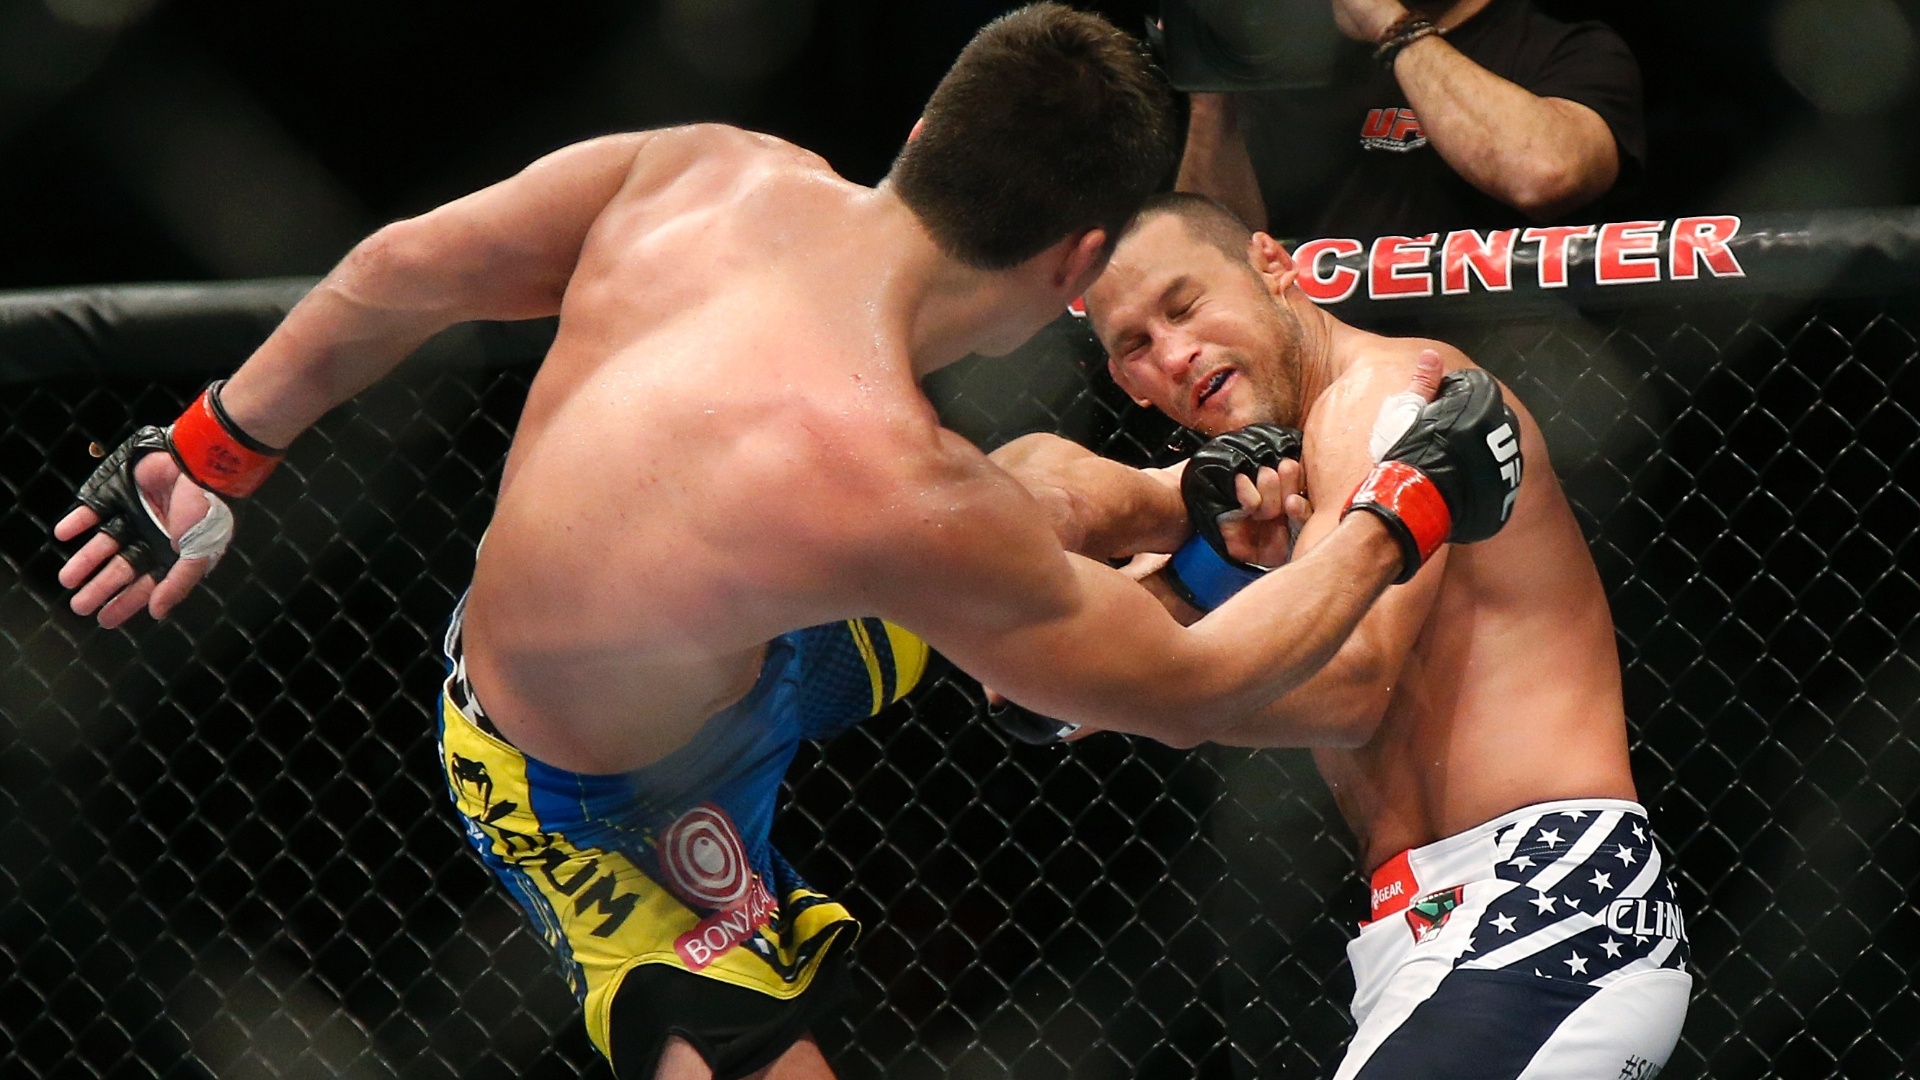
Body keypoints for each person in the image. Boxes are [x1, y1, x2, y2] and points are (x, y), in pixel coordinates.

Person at [50, 8, 1524, 1080]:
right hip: (593, 797)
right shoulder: (891, 485)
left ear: (919, 138)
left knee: (1042, 497)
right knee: (1051, 597)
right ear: (1077, 268)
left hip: (779, 636)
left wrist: (212, 447)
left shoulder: (704, 169)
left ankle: (1168, 545)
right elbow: (1198, 693)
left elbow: (396, 269)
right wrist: (1403, 508)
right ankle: (1080, 635)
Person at [994, 192, 1689, 1077]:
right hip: (1435, 930)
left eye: (1185, 305)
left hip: (1546, 905)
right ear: (1128, 384)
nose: (1174, 354)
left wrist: (1113, 675)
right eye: (1136, 345)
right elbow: (1044, 549)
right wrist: (1163, 597)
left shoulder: (1384, 396)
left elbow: (1351, 684)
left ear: (1275, 267)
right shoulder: (1272, 470)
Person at [1174, 0, 1646, 238]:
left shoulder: (1568, 49)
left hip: (1512, 374)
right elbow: (1217, 247)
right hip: (1330, 368)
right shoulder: (1292, 65)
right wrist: (1214, 81)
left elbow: (1544, 174)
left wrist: (1389, 23)